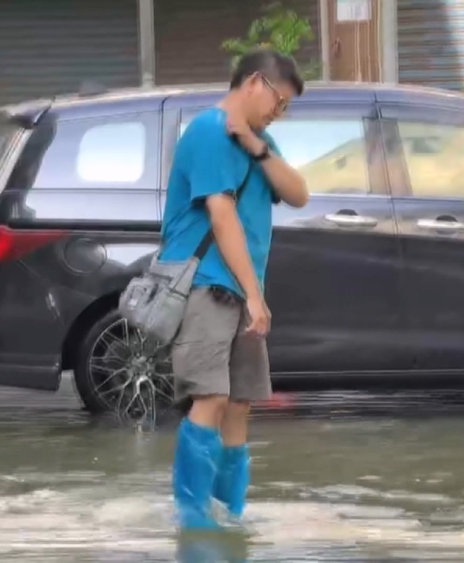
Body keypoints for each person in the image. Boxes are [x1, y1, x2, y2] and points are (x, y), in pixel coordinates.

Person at [159, 48, 310, 530]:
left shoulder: (256, 138)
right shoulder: (207, 131)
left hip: (243, 290)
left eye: (285, 108)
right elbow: (222, 219)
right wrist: (255, 294)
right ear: (255, 82)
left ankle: (230, 513)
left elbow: (299, 193)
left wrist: (257, 144)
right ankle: (192, 518)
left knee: (240, 403)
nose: (278, 113)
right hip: (207, 285)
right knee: (210, 398)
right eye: (278, 102)